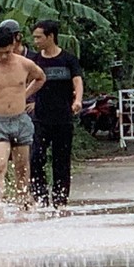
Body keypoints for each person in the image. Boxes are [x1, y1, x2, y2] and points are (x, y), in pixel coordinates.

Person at [0, 21, 46, 220]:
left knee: (22, 170)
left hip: (20, 121)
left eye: (7, 52)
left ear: (13, 46)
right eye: (0, 53)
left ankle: (23, 204)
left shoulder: (25, 64)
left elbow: (41, 77)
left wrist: (25, 94)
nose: (4, 56)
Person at [26, 19, 84, 206]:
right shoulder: (34, 61)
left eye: (39, 37)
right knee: (36, 158)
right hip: (40, 118)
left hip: (63, 118)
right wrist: (27, 100)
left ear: (51, 36)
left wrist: (77, 100)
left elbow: (77, 81)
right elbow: (27, 83)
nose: (35, 41)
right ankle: (40, 196)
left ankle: (60, 199)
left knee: (61, 161)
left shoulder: (68, 59)